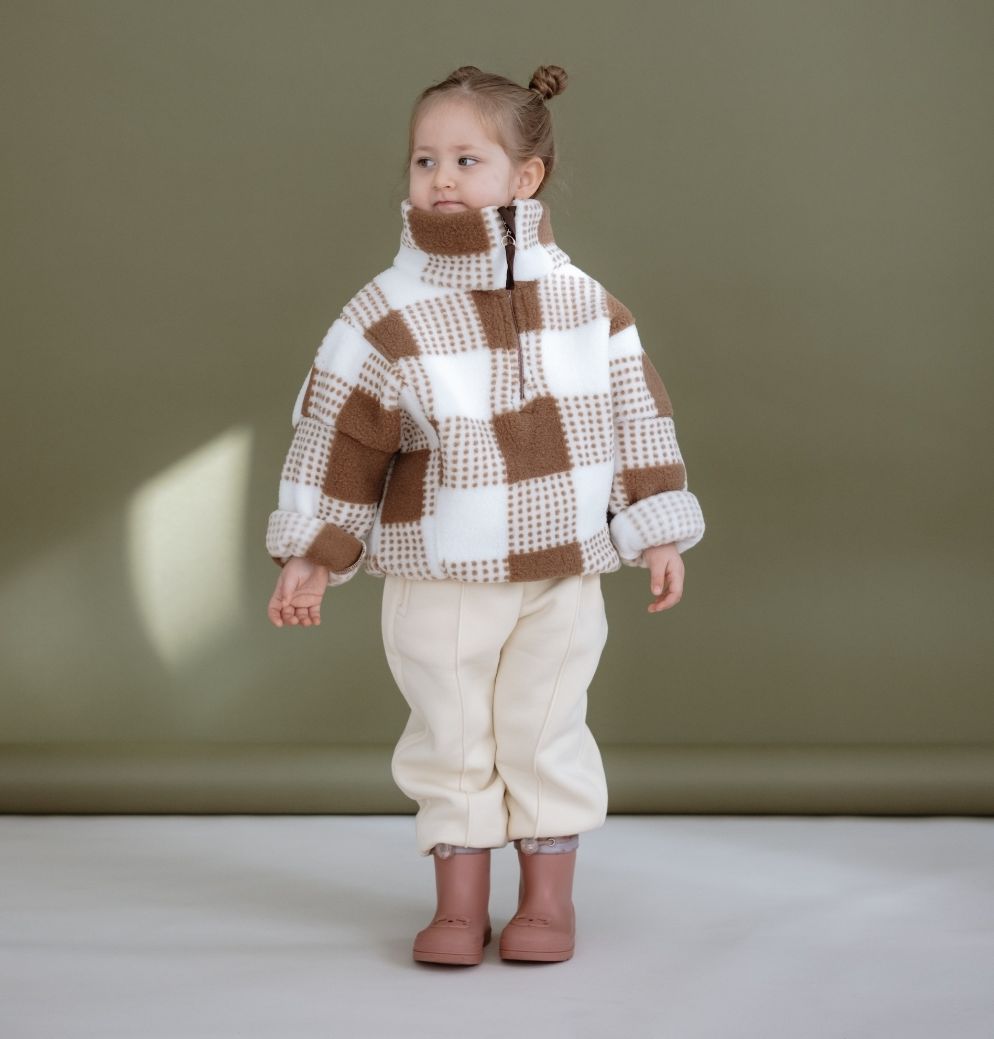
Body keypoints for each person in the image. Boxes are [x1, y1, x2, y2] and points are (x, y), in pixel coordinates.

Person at [266, 65, 704, 965]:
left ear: (524, 176)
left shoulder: (585, 304)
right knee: (453, 734)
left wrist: (657, 525)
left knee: (547, 729)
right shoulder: (388, 310)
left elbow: (637, 413)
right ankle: (460, 907)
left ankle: (548, 903)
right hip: (443, 572)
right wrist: (313, 549)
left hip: (563, 569)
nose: (442, 178)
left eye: (468, 159)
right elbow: (339, 434)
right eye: (424, 159)